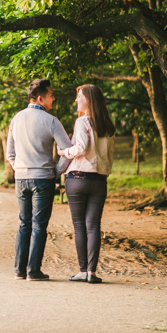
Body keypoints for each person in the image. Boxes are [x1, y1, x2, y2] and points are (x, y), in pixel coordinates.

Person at [6, 79, 72, 281]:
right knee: (38, 226)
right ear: (40, 98)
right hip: (43, 178)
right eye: (51, 95)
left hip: (21, 179)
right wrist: (56, 172)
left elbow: (10, 153)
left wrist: (20, 169)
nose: (54, 98)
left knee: (24, 223)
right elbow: (68, 152)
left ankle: (19, 271)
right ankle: (33, 271)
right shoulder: (51, 121)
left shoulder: (16, 119)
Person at [58, 84, 116, 284]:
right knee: (93, 226)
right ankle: (92, 272)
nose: (76, 101)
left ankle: (83, 270)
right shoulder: (107, 125)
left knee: (79, 226)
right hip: (99, 180)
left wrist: (64, 152)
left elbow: (80, 148)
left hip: (78, 179)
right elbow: (109, 156)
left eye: (79, 97)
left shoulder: (82, 121)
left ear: (89, 99)